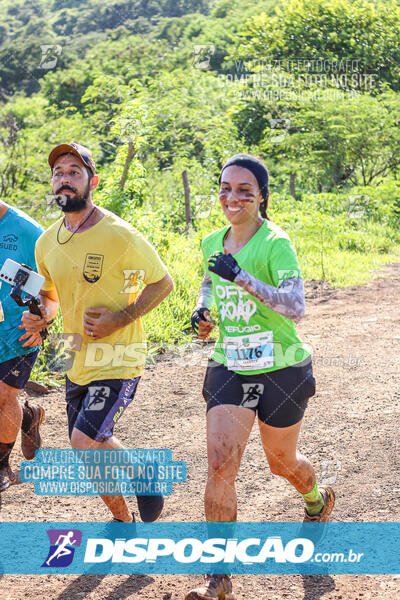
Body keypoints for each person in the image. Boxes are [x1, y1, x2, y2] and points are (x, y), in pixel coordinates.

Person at [186, 154, 335, 600]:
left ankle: (317, 501)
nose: (232, 197)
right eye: (225, 188)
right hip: (230, 363)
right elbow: (211, 283)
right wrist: (203, 310)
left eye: (244, 190)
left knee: (281, 464)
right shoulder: (213, 239)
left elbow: (295, 307)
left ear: (261, 197)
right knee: (219, 465)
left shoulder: (275, 243)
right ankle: (218, 576)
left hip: (282, 367)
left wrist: (244, 277)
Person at [21, 142, 174, 522]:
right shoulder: (46, 242)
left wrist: (120, 317)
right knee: (89, 448)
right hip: (76, 357)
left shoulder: (120, 235)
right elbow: (51, 297)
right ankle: (125, 517)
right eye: (59, 173)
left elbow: (163, 283)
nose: (65, 180)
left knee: (83, 441)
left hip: (119, 356)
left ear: (93, 180)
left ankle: (143, 477)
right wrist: (42, 317)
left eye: (74, 172)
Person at [0, 200, 45, 491]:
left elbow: (51, 285)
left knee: (2, 397)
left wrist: (43, 322)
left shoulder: (27, 231)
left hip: (17, 332)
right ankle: (28, 416)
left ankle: (2, 463)